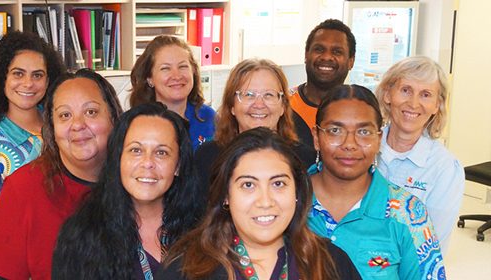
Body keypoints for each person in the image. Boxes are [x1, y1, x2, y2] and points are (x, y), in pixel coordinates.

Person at [157, 127, 361, 280]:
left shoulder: (330, 263)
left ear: (297, 192)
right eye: (248, 185)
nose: (265, 201)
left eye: (278, 183)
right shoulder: (186, 269)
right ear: (226, 195)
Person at [0, 69, 123, 280]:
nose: (77, 125)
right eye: (65, 115)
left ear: (113, 116)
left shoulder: (141, 181)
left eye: (91, 112)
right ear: (52, 127)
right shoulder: (23, 189)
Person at [308, 84, 445, 279]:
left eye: (363, 132)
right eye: (335, 130)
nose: (349, 144)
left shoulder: (407, 214)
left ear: (378, 139)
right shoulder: (287, 202)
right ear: (316, 137)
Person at [52, 102, 202, 279]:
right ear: (119, 159)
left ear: (178, 166)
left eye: (161, 153)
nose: (148, 162)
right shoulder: (81, 236)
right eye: (136, 150)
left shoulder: (203, 233)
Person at [0, 31, 65, 255]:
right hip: (24, 263)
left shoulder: (63, 126)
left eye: (38, 75)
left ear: (49, 81)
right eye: (18, 73)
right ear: (2, 78)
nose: (28, 83)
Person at [375, 56, 465, 253]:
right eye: (406, 90)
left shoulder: (445, 168)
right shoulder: (364, 149)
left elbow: (432, 245)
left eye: (425, 95)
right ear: (388, 94)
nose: (413, 104)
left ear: (436, 106)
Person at [195, 58, 315, 190]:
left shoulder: (306, 160)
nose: (259, 104)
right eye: (249, 95)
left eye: (268, 95)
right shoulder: (206, 157)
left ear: (283, 106)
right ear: (232, 106)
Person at [129, 35, 215, 150]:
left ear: (193, 71)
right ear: (150, 78)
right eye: (165, 68)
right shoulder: (134, 124)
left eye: (183, 66)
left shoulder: (209, 117)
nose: (177, 76)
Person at [289, 19, 356, 148]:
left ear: (351, 61)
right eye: (319, 49)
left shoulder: (360, 110)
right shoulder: (283, 106)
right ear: (306, 55)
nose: (326, 57)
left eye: (337, 51)